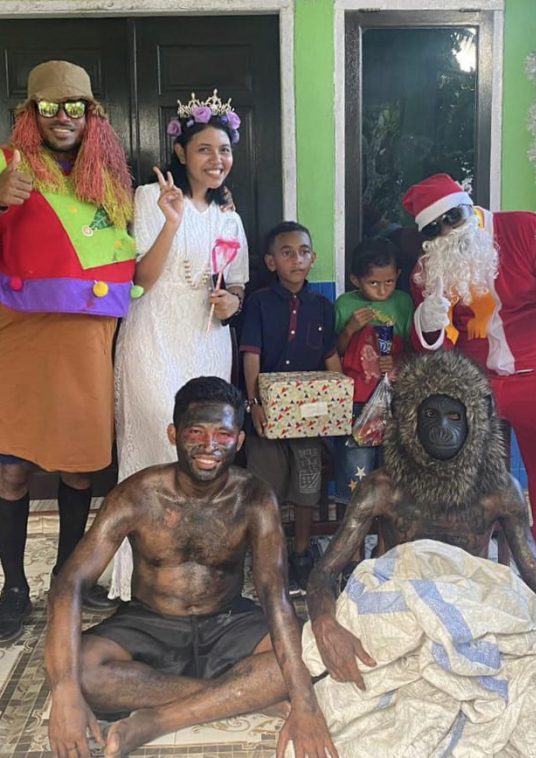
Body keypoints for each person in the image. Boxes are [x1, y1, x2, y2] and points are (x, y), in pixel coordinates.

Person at [0, 60, 135, 644]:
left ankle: (66, 580)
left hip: (86, 342)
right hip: (19, 335)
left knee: (80, 467)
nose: (63, 117)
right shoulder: (1, 163)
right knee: (14, 467)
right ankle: (14, 589)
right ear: (30, 113)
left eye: (75, 106)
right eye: (50, 107)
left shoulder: (109, 180)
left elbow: (126, 260)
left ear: (91, 115)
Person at [304, 351, 536, 754]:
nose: (442, 428)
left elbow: (535, 576)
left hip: (472, 611)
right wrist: (325, 624)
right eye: (431, 415)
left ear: (475, 420)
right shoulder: (382, 488)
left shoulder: (498, 489)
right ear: (409, 420)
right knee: (342, 673)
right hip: (400, 608)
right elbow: (326, 570)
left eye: (454, 417)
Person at [45, 377, 337, 758]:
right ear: (173, 434)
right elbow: (70, 583)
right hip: (150, 622)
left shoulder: (254, 498)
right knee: (80, 671)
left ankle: (156, 721)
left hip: (228, 621)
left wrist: (305, 703)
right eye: (196, 433)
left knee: (308, 655)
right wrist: (65, 690)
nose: (209, 446)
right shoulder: (137, 495)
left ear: (239, 441)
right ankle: (236, 697)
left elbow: (275, 597)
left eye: (223, 434)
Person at [401, 173, 536, 612]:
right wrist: (428, 323)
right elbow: (432, 348)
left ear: (469, 208)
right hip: (476, 385)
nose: (447, 233)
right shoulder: (428, 269)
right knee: (456, 482)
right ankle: (465, 595)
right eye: (434, 229)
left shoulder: (524, 229)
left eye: (453, 218)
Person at [109, 91, 248, 601]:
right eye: (204, 149)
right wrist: (170, 222)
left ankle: (195, 566)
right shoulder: (151, 198)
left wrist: (232, 303)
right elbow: (139, 281)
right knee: (157, 437)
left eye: (224, 150)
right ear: (181, 153)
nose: (216, 160)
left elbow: (237, 283)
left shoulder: (230, 219)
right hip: (153, 334)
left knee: (204, 447)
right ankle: (142, 573)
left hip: (207, 340)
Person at [239, 222, 341, 592]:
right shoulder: (259, 303)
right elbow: (251, 355)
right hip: (267, 416)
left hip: (309, 418)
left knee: (307, 489)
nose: (296, 259)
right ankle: (271, 556)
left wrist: (338, 401)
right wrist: (254, 403)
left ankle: (300, 553)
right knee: (266, 487)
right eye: (287, 253)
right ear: (271, 262)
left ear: (313, 258)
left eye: (303, 251)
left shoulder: (322, 307)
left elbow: (330, 357)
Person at [333, 237, 413, 505]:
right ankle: (355, 528)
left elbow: (413, 348)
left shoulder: (403, 303)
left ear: (398, 275)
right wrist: (350, 328)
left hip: (395, 402)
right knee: (357, 473)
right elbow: (335, 351)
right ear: (355, 280)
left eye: (389, 282)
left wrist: (397, 362)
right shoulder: (345, 304)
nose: (382, 290)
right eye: (373, 283)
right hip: (356, 402)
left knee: (393, 472)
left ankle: (388, 530)